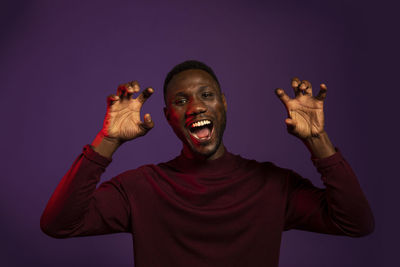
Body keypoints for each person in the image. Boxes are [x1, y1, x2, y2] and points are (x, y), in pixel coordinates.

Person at [40, 60, 374, 267]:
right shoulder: (140, 188)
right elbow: (58, 224)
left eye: (207, 95)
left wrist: (318, 140)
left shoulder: (273, 185)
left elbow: (355, 223)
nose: (196, 107)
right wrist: (108, 140)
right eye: (181, 101)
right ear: (169, 117)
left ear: (223, 105)